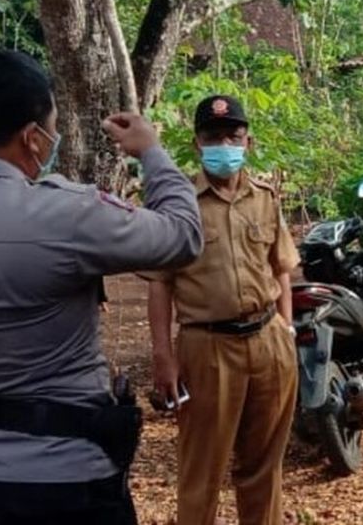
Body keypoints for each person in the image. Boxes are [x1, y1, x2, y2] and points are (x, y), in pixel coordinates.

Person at [0, 49, 203, 525]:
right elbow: (184, 235)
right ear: (32, 138)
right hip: (68, 484)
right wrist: (151, 151)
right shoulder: (65, 216)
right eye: (50, 129)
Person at [143, 94, 299, 525]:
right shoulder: (179, 204)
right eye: (214, 136)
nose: (225, 144)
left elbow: (281, 267)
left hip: (268, 342)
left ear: (248, 142)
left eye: (234, 135)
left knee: (264, 468)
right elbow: (161, 284)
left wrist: (285, 329)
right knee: (202, 473)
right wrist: (163, 356)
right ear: (197, 142)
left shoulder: (265, 197)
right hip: (207, 349)